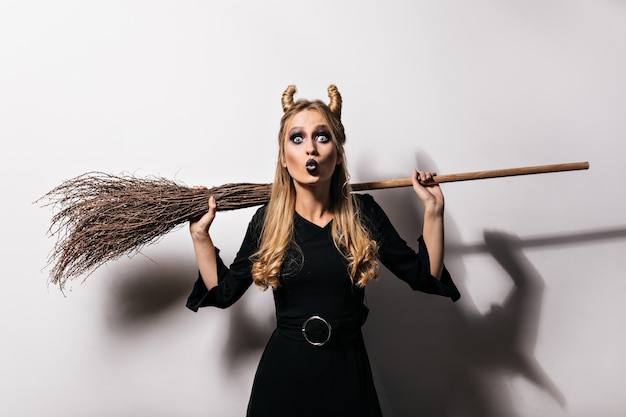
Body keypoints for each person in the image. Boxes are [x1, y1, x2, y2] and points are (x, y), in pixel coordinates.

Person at [186, 84, 460, 417]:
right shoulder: (268, 220)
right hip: (284, 376)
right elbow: (224, 292)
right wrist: (201, 235)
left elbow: (424, 276)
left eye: (323, 137)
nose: (311, 149)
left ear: (338, 153)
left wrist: (433, 211)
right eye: (297, 139)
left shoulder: (364, 213)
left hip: (345, 373)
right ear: (284, 159)